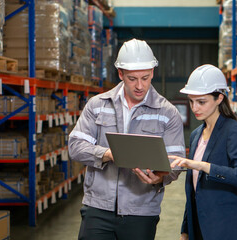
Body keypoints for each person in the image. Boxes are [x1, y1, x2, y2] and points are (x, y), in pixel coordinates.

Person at [68, 38, 186, 240]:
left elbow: (176, 161)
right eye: (132, 79)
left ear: (152, 72)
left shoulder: (167, 112)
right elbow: (75, 146)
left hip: (141, 211)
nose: (140, 86)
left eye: (146, 77)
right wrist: (107, 154)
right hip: (98, 208)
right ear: (121, 74)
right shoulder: (97, 105)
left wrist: (161, 177)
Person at [169, 64, 237, 240]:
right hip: (199, 229)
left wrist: (204, 166)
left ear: (219, 98)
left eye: (201, 102)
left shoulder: (233, 130)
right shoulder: (195, 135)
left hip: (225, 229)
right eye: (191, 101)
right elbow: (193, 192)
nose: (195, 108)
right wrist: (185, 230)